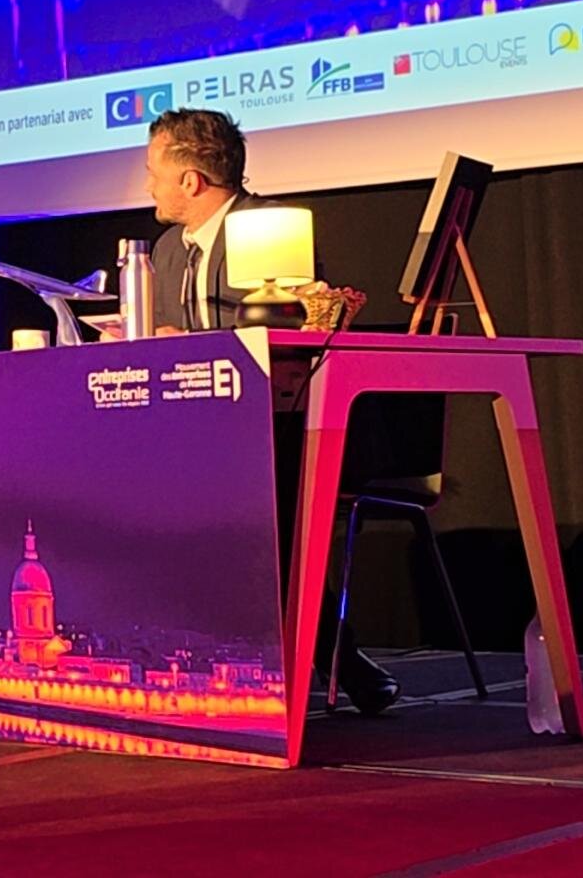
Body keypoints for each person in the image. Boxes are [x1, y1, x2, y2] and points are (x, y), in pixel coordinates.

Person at [143, 108, 402, 714]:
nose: (147, 184)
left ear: (191, 181)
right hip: (192, 425)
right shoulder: (165, 248)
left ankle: (321, 654)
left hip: (278, 417)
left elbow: (300, 325)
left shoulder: (270, 229)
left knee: (263, 495)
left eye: (154, 170)